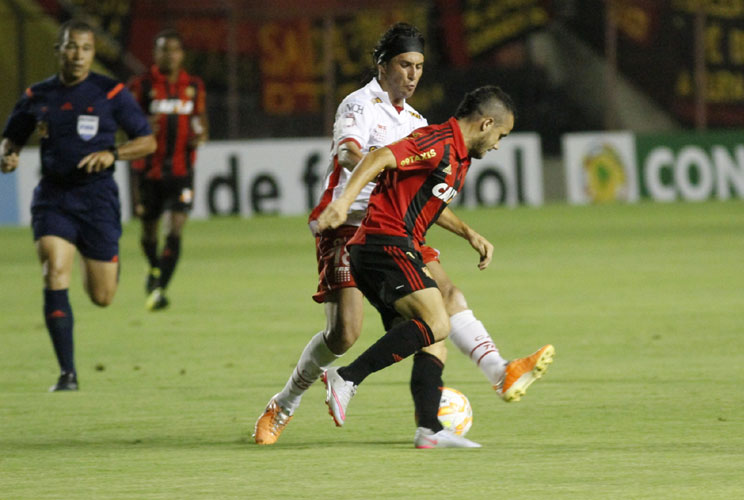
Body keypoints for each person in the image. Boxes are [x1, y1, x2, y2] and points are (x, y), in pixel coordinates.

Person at [254, 23, 551, 448]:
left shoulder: (417, 120)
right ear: (383, 65)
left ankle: (461, 400)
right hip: (349, 221)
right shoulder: (359, 105)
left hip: (397, 226)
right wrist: (386, 163)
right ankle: (283, 404)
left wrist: (468, 231)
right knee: (345, 334)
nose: (412, 75)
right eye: (404, 65)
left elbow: (426, 191)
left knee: (442, 303)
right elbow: (351, 152)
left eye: (419, 67)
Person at [318, 85, 554, 447]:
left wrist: (469, 234)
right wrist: (343, 202)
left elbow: (430, 200)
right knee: (437, 321)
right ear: (485, 123)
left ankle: (429, 428)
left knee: (434, 334)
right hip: (384, 241)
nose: (497, 146)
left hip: (400, 244)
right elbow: (380, 157)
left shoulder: (458, 156)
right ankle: (346, 378)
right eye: (500, 136)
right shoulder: (439, 141)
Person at [0, 20, 156, 391]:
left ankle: (106, 262)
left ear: (92, 52)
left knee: (102, 297)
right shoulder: (37, 95)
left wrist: (112, 153)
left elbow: (146, 141)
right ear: (59, 50)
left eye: (86, 49)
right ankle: (67, 373)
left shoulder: (110, 91)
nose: (78, 55)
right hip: (54, 199)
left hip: (98, 201)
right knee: (54, 271)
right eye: (71, 47)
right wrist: (8, 156)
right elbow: (11, 138)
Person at [127, 29, 208, 311]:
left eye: (174, 50)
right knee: (149, 233)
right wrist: (139, 128)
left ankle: (159, 287)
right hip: (148, 173)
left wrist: (201, 134)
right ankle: (154, 268)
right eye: (163, 50)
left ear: (181, 54)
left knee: (174, 230)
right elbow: (125, 126)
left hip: (182, 171)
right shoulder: (141, 86)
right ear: (155, 53)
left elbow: (200, 121)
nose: (169, 55)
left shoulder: (194, 86)